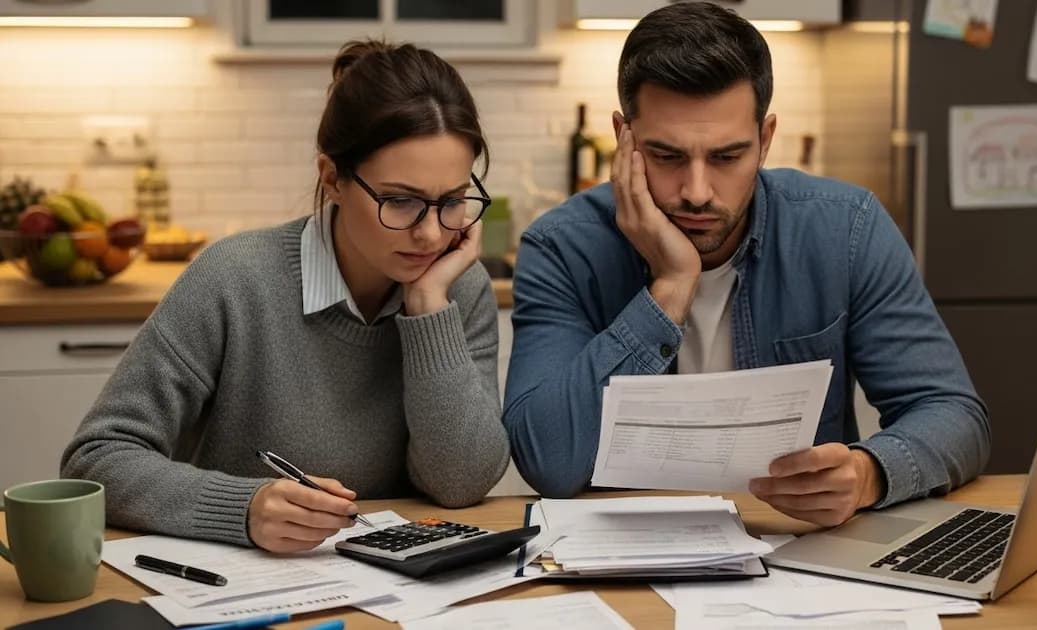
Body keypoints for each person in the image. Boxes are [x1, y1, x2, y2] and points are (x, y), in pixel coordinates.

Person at [503, 2, 989, 527]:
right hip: (620, 554)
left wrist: (869, 473)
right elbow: (548, 461)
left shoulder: (845, 229)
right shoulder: (561, 248)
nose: (696, 191)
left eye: (726, 157)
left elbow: (955, 415)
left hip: (796, 549)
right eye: (666, 156)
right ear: (625, 139)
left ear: (765, 139)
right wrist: (670, 286)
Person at [61, 40, 509, 552]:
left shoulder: (456, 287)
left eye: (452, 201)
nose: (430, 234)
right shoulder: (233, 279)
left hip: (396, 583)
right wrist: (242, 508)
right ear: (332, 179)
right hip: (244, 580)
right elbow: (96, 458)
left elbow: (460, 483)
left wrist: (428, 307)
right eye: (400, 201)